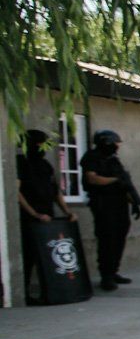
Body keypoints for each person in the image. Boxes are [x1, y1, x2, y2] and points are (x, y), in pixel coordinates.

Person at [16, 129, 77, 302]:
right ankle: (25, 293)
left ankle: (52, 291)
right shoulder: (20, 162)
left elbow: (55, 190)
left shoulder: (45, 165)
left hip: (48, 217)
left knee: (48, 256)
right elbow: (16, 192)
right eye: (40, 144)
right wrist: (34, 213)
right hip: (30, 218)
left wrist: (67, 211)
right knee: (28, 256)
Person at [80, 129, 140, 290]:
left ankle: (113, 271)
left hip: (119, 204)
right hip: (103, 203)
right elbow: (92, 178)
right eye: (115, 143)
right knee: (107, 238)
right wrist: (115, 181)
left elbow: (124, 183)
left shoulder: (114, 160)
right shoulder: (92, 157)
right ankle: (106, 275)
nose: (117, 146)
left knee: (119, 237)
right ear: (106, 142)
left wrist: (134, 201)